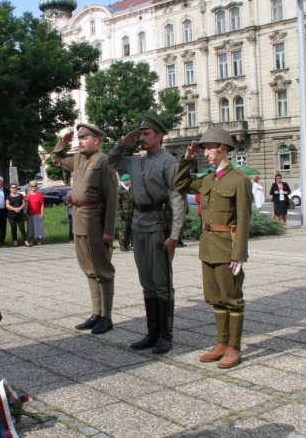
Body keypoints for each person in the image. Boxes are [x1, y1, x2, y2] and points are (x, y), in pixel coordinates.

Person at [174, 127, 252, 369]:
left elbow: (243, 220)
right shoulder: (208, 179)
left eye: (209, 148)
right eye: (205, 148)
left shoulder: (239, 180)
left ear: (223, 149)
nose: (205, 152)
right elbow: (180, 184)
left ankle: (234, 348)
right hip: (208, 247)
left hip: (227, 248)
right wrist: (187, 158)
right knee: (215, 298)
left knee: (232, 299)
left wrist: (239, 254)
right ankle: (221, 343)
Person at [108, 116, 185, 353]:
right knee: (147, 283)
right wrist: (123, 143)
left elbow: (177, 198)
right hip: (139, 226)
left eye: (147, 134)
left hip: (158, 226)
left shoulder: (168, 162)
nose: (142, 138)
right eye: (140, 134)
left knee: (162, 284)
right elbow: (111, 162)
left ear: (160, 135)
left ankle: (165, 335)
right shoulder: (135, 162)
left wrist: (174, 234)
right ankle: (151, 333)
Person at [53, 123, 118, 335]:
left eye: (84, 138)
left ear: (96, 140)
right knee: (89, 270)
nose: (79, 141)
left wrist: (109, 230)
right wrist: (62, 143)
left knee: (102, 270)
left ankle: (106, 317)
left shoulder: (104, 161)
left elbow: (112, 199)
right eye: (78, 138)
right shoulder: (79, 159)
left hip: (95, 222)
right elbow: (56, 159)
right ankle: (96, 313)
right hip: (79, 219)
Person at [25, 181, 45, 245]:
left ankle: (39, 240)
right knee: (30, 227)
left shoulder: (40, 194)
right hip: (30, 214)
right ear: (30, 187)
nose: (34, 187)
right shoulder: (27, 194)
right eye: (32, 186)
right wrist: (25, 213)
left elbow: (42, 204)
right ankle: (30, 240)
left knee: (38, 227)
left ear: (37, 187)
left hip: (38, 213)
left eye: (35, 186)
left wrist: (42, 213)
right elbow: (25, 205)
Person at [117, 174, 134, 251]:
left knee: (129, 229)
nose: (130, 181)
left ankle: (127, 244)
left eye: (129, 180)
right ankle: (122, 245)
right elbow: (117, 202)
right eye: (128, 180)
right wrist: (121, 212)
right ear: (124, 181)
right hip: (123, 213)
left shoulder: (130, 188)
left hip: (131, 213)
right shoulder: (119, 189)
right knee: (123, 229)